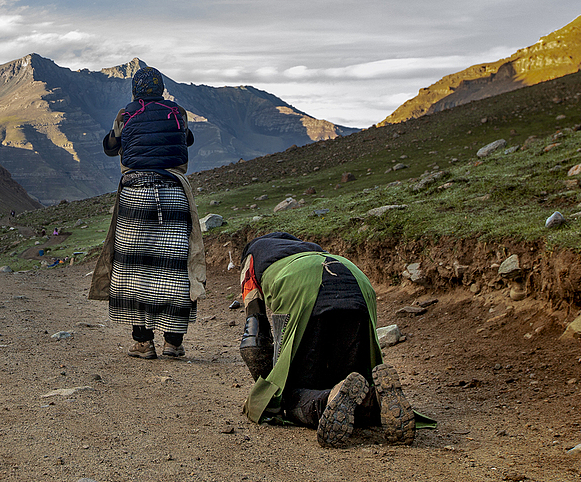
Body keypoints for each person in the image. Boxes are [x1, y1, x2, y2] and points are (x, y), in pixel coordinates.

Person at [238, 231, 415, 447]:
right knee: (351, 375)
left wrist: (270, 389)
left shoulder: (252, 257)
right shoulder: (311, 248)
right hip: (354, 279)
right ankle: (376, 400)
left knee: (292, 393)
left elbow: (254, 340)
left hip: (303, 283)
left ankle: (330, 397)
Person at [87, 65, 206, 360]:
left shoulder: (126, 115)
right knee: (174, 268)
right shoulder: (177, 113)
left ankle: (142, 343)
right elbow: (187, 140)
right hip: (173, 192)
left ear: (135, 91)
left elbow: (110, 147)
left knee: (134, 269)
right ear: (161, 89)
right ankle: (173, 342)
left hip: (135, 195)